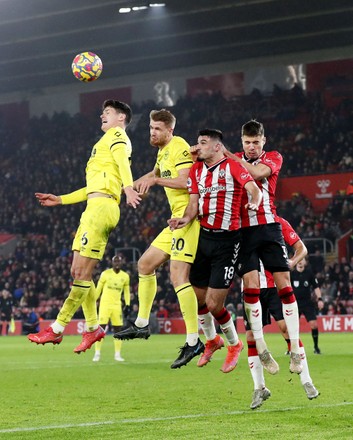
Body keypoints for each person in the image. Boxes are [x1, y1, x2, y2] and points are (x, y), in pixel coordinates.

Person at [28, 100, 141, 353]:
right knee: (79, 273)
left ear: (121, 117)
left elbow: (123, 161)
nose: (102, 114)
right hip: (93, 207)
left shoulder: (117, 135)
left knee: (80, 274)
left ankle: (57, 329)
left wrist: (129, 188)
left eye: (108, 112)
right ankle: (93, 328)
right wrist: (61, 199)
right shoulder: (104, 142)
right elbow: (93, 188)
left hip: (103, 209)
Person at [115, 109, 203, 369]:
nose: (152, 132)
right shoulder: (162, 152)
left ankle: (193, 341)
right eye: (150, 128)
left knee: (178, 278)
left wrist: (156, 181)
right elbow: (152, 175)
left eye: (156, 129)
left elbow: (187, 182)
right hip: (174, 220)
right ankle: (142, 325)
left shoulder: (179, 147)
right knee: (144, 264)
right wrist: (126, 187)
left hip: (189, 219)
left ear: (169, 130)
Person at [168, 128, 262, 373]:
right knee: (197, 298)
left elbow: (254, 188)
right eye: (197, 142)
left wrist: (254, 200)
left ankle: (234, 343)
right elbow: (192, 205)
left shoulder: (232, 166)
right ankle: (212, 341)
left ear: (217, 147)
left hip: (228, 243)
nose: (197, 147)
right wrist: (183, 220)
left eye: (203, 143)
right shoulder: (197, 170)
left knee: (213, 304)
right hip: (203, 238)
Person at [225, 119, 302, 375]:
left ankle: (294, 349)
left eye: (256, 142)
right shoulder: (233, 158)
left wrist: (229, 157)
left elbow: (257, 174)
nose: (251, 147)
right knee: (251, 289)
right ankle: (262, 346)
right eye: (247, 143)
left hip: (269, 227)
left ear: (263, 141)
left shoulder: (274, 157)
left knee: (285, 287)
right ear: (241, 141)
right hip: (243, 231)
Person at [245, 216, 319, 410]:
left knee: (286, 329)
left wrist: (293, 262)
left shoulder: (278, 222)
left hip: (275, 287)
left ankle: (307, 381)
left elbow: (301, 248)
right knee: (251, 336)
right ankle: (259, 388)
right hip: (253, 289)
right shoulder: (242, 221)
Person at [92, 255, 131, 362]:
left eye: (119, 261)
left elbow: (127, 292)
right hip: (105, 305)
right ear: (112, 263)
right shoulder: (105, 274)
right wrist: (93, 300)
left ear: (121, 263)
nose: (117, 263)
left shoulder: (125, 276)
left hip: (117, 306)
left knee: (118, 330)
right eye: (115, 261)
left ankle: (117, 354)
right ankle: (97, 353)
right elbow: (98, 289)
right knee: (101, 329)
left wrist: (127, 304)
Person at [291, 258, 324, 354]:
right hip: (294, 303)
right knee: (292, 327)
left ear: (305, 262)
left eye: (302, 259)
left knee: (314, 324)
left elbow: (316, 287)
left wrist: (320, 299)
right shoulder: (291, 274)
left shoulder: (309, 274)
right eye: (299, 259)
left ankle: (316, 347)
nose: (300, 261)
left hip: (307, 303)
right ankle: (291, 349)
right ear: (296, 261)